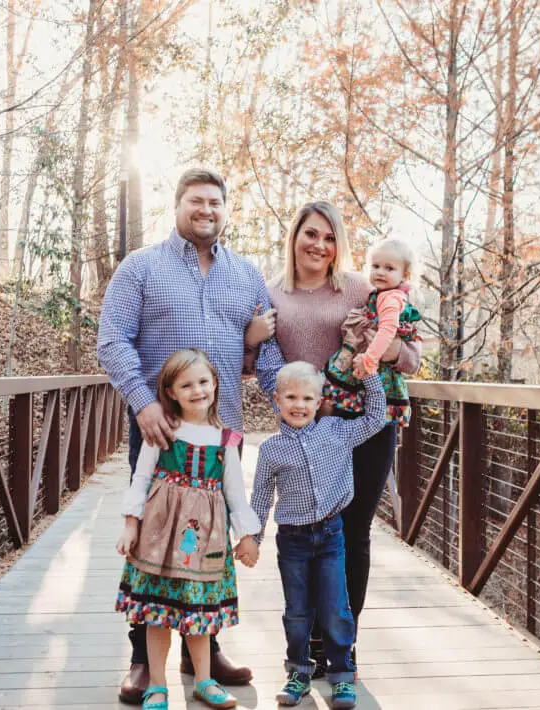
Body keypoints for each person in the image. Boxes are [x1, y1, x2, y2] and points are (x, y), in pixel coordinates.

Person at [98, 167, 284, 704]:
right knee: (154, 543)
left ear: (226, 211)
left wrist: (299, 401)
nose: (207, 211)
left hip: (220, 433)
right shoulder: (141, 268)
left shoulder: (247, 275)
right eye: (197, 201)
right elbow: (112, 342)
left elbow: (260, 357)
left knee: (211, 538)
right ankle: (142, 658)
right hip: (160, 429)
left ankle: (204, 651)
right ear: (178, 204)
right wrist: (142, 401)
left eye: (216, 203)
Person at [247, 202, 422, 676]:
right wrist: (297, 402)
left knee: (353, 532)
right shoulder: (270, 296)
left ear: (338, 244)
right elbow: (264, 366)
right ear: (294, 237)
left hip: (365, 428)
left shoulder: (364, 289)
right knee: (307, 533)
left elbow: (412, 359)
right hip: (308, 435)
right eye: (310, 234)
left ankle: (341, 643)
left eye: (329, 237)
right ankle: (309, 641)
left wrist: (378, 350)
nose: (319, 245)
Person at [116, 349, 261, 710]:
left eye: (203, 381)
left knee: (199, 613)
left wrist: (246, 535)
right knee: (157, 611)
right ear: (171, 391)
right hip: (159, 537)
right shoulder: (162, 431)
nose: (197, 390)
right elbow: (141, 478)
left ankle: (204, 680)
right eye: (186, 384)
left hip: (207, 538)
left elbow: (234, 491)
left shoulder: (226, 439)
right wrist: (130, 524)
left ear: (215, 383)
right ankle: (158, 685)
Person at [239, 361, 386, 709]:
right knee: (297, 611)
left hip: (332, 535)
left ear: (320, 402)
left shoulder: (337, 431)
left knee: (336, 607)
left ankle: (342, 676)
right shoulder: (272, 450)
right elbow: (260, 498)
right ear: (276, 399)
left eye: (307, 397)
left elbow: (376, 418)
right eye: (290, 396)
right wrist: (252, 538)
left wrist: (371, 379)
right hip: (292, 541)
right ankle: (299, 673)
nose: (299, 404)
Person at [323, 237, 422, 426]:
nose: (380, 272)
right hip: (370, 370)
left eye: (389, 268)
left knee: (367, 418)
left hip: (375, 372)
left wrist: (369, 360)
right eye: (375, 266)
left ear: (405, 275)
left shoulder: (391, 298)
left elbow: (387, 330)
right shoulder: (380, 294)